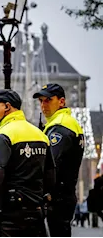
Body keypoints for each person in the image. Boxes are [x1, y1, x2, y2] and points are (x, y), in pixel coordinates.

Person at [0, 89, 56, 238]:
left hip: (10, 215)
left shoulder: (2, 135)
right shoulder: (40, 135)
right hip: (36, 213)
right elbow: (50, 174)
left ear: (7, 107)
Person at [33, 83, 84, 237]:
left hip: (57, 197)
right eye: (41, 101)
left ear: (61, 101)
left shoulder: (60, 126)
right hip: (63, 195)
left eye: (48, 100)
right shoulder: (66, 122)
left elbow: (50, 163)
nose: (43, 105)